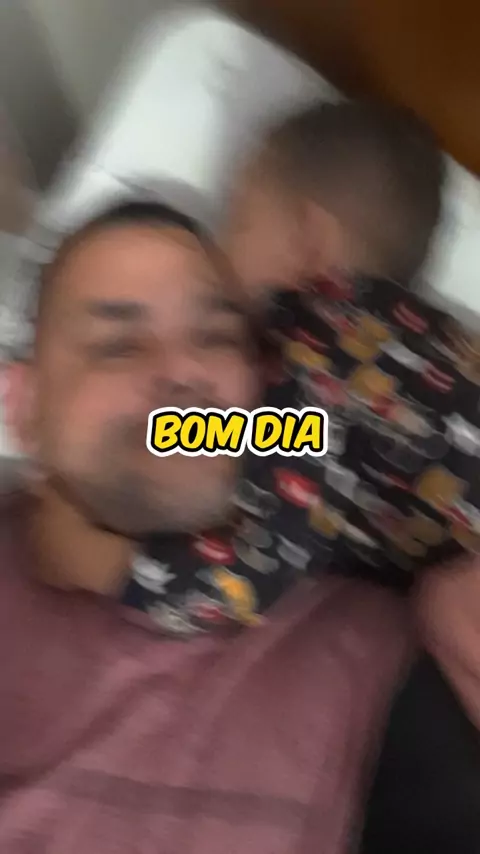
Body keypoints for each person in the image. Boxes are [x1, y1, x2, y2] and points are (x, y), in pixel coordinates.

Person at [0, 200, 410, 853]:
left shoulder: (368, 637)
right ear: (23, 405)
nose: (183, 372)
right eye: (116, 345)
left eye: (217, 336)